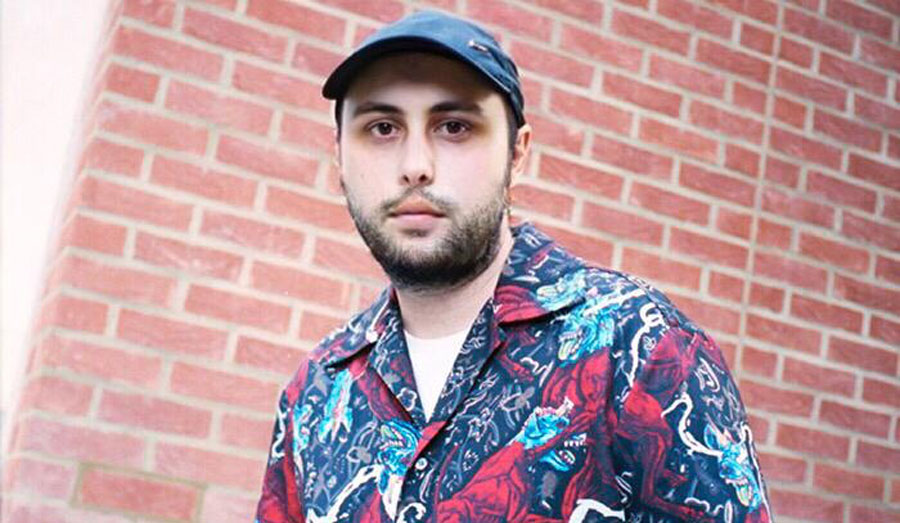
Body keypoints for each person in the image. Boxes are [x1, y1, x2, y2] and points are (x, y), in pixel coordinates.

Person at [255, 9, 771, 523]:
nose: (415, 165)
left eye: (454, 126)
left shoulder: (638, 346)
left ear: (517, 154)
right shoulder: (316, 394)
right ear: (341, 158)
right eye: (383, 127)